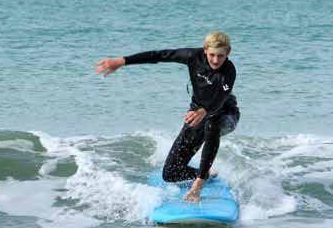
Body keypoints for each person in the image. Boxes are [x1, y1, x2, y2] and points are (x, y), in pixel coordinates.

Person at [95, 30, 239, 203]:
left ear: (228, 52)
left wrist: (204, 111)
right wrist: (122, 61)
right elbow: (160, 55)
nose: (216, 60)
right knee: (171, 173)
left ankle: (198, 184)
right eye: (212, 55)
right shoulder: (193, 56)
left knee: (212, 125)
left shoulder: (229, 71)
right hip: (196, 115)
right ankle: (205, 173)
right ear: (205, 49)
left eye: (221, 56)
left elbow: (220, 99)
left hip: (225, 114)